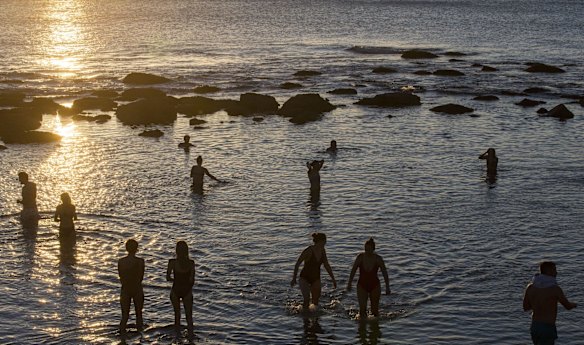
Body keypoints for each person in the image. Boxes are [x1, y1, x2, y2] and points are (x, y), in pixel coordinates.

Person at [523, 261, 577, 345]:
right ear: (548, 271)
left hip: (535, 326)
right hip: (547, 327)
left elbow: (526, 307)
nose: (556, 272)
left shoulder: (530, 287)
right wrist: (575, 304)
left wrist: (538, 304)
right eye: (554, 270)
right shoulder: (555, 289)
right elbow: (567, 306)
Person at [291, 233, 337, 310]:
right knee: (306, 299)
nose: (325, 243)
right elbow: (297, 264)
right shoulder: (308, 250)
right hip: (304, 277)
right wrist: (294, 278)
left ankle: (315, 320)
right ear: (320, 241)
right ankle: (305, 318)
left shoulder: (322, 251)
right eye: (324, 241)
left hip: (316, 278)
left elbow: (326, 265)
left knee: (315, 302)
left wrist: (333, 279)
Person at [346, 238, 390, 319]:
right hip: (361, 285)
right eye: (365, 249)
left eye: (369, 250)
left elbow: (385, 273)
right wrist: (349, 283)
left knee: (375, 312)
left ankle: (375, 329)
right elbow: (353, 271)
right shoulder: (360, 257)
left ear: (373, 249)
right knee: (362, 311)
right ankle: (362, 328)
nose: (367, 252)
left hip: (375, 285)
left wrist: (387, 287)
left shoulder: (378, 259)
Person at [166, 241, 195, 336]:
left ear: (176, 251)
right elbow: (192, 280)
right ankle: (190, 337)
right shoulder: (191, 263)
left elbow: (168, 278)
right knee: (189, 317)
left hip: (175, 290)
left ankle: (177, 337)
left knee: (177, 316)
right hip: (187, 290)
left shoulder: (172, 262)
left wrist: (176, 280)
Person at [118, 239, 145, 334]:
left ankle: (122, 335)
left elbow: (120, 276)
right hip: (137, 288)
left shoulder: (121, 261)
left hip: (125, 289)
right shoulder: (140, 261)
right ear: (136, 249)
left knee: (124, 315)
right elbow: (141, 276)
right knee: (139, 314)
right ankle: (140, 335)